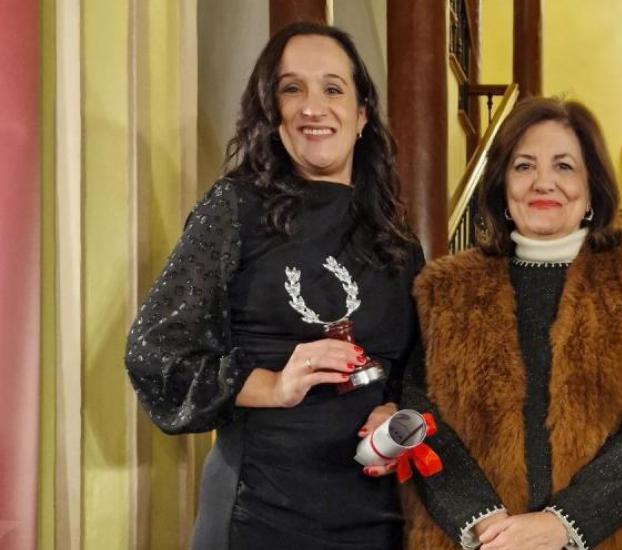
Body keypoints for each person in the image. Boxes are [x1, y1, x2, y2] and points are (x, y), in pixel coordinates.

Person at [125, 23, 422, 549]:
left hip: (377, 519)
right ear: (271, 114)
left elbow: (417, 373)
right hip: (258, 511)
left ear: (361, 117)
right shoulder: (234, 208)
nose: (313, 106)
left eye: (333, 89)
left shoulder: (397, 241)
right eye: (292, 88)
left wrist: (395, 410)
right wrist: (274, 385)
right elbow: (154, 353)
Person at [399, 97, 622, 549]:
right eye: (524, 165)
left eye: (565, 166)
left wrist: (564, 523)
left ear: (592, 187)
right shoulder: (446, 289)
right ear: (502, 186)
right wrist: (484, 522)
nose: (543, 182)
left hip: (613, 535)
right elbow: (418, 413)